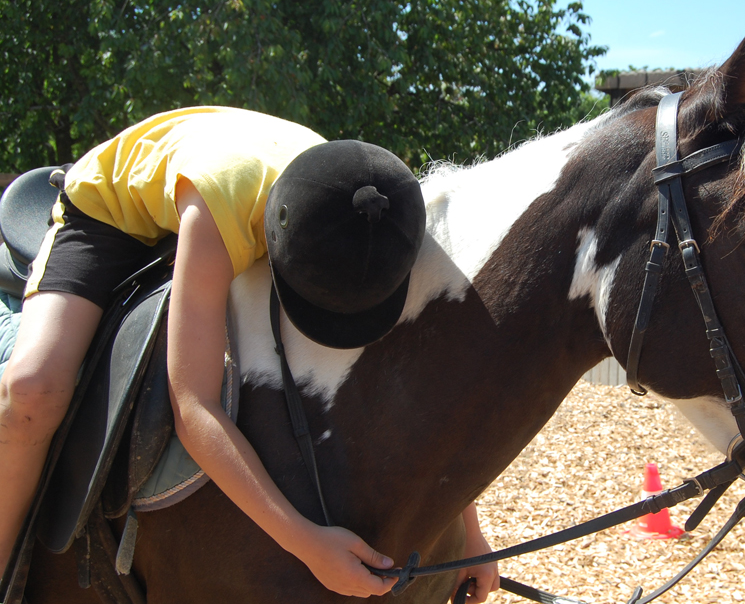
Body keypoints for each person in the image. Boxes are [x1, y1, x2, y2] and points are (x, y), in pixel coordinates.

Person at [0, 107, 499, 601]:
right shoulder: (220, 207)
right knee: (31, 391)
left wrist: (469, 535)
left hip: (248, 175)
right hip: (109, 211)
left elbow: (418, 393)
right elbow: (193, 404)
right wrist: (306, 544)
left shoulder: (380, 213)